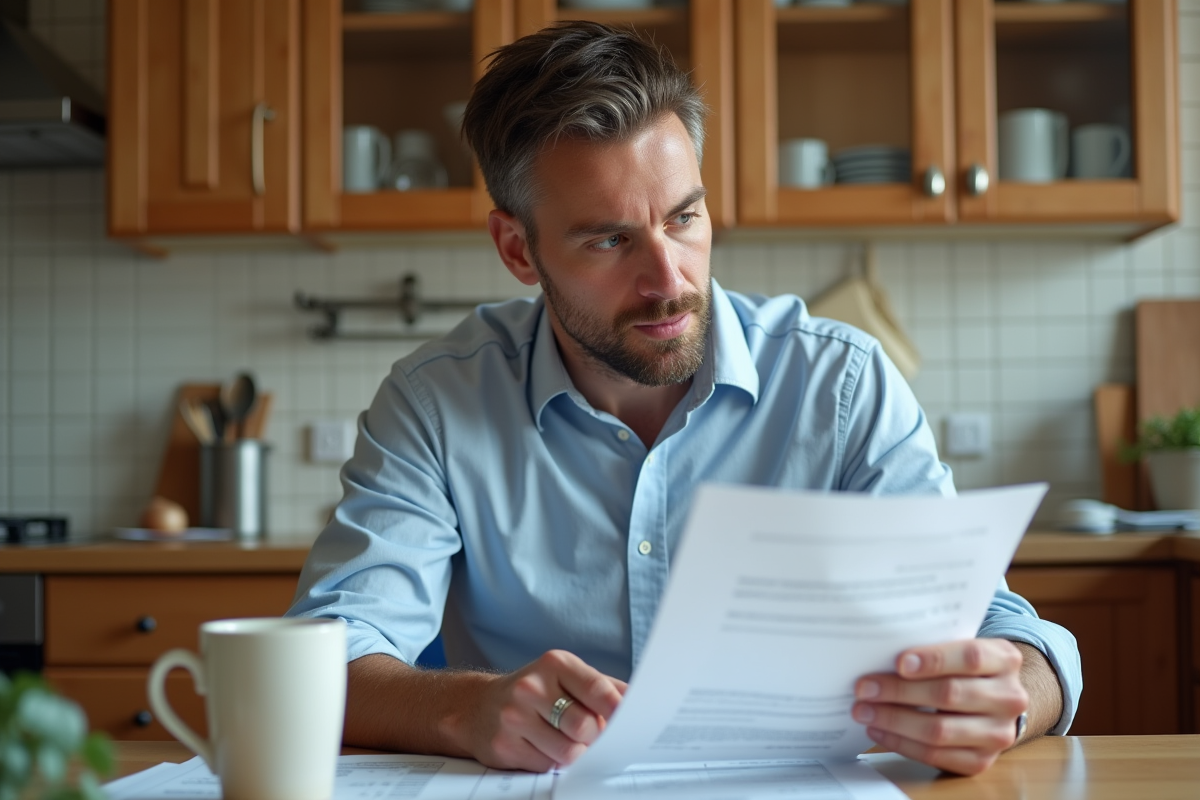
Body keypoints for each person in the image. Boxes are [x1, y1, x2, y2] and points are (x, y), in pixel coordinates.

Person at [287, 21, 1081, 778]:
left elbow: (1000, 631)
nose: (668, 280)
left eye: (684, 218)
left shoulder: (841, 385)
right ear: (518, 249)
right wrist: (465, 708)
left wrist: (1009, 699)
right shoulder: (436, 402)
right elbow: (324, 658)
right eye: (609, 239)